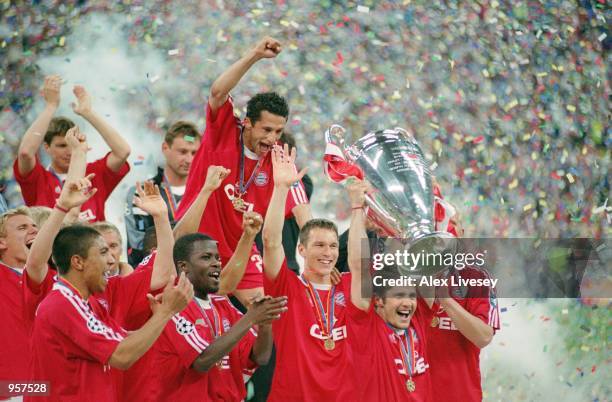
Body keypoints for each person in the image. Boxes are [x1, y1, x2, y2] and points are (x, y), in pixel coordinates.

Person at [176, 37, 311, 307]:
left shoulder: (279, 160)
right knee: (190, 311)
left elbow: (301, 212)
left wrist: (317, 254)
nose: (273, 138)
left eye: (278, 131)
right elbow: (217, 92)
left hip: (241, 248)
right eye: (266, 130)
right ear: (247, 123)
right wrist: (255, 55)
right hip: (196, 241)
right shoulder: (223, 131)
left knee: (267, 313)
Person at [26, 223, 193, 401]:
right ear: (78, 262)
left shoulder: (88, 302)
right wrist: (165, 312)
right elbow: (122, 356)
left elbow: (124, 339)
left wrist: (164, 315)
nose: (112, 260)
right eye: (103, 252)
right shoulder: (62, 304)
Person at [143, 233, 287, 401]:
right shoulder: (171, 307)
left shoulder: (222, 305)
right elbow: (202, 361)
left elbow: (261, 357)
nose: (216, 263)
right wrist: (251, 318)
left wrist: (265, 321)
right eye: (206, 257)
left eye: (218, 258)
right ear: (183, 266)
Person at [262, 144, 355, 401]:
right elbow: (270, 241)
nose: (328, 252)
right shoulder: (287, 287)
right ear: (301, 249)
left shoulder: (350, 287)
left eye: (333, 246)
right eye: (320, 245)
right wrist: (280, 188)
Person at [346, 179, 435, 402]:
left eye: (411, 296)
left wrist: (422, 201)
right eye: (398, 295)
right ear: (378, 302)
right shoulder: (368, 327)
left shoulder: (419, 320)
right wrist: (357, 208)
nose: (408, 303)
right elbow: (358, 266)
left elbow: (427, 259)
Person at [14, 75, 130, 222]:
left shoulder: (94, 175)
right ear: (47, 147)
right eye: (62, 146)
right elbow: (25, 153)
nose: (69, 151)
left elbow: (123, 151)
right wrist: (51, 107)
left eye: (73, 144)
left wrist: (88, 113)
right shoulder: (38, 179)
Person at [125, 121, 201, 266]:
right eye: (183, 152)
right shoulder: (142, 192)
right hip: (155, 277)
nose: (189, 160)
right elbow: (140, 247)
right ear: (165, 148)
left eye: (194, 153)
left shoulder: (204, 193)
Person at [0, 206, 40, 396]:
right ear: (2, 242)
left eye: (34, 226)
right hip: (9, 391)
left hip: (49, 390)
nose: (34, 230)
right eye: (22, 228)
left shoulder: (57, 278)